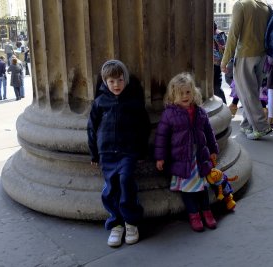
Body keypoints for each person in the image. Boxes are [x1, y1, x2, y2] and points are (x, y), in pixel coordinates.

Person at [87, 59, 150, 247]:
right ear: (105, 82)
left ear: (126, 80)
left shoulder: (133, 101)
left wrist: (141, 151)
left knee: (126, 181)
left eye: (120, 80)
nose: (116, 85)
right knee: (111, 188)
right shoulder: (100, 102)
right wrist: (94, 153)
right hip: (106, 152)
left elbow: (144, 127)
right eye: (112, 81)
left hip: (128, 151)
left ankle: (131, 222)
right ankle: (116, 223)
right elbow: (91, 128)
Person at [154, 72, 219, 232]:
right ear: (173, 95)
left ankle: (207, 212)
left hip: (199, 158)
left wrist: (213, 149)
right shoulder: (169, 114)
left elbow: (209, 132)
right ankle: (194, 215)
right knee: (188, 191)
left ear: (193, 92)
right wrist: (160, 157)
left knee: (202, 188)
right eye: (180, 93)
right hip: (183, 160)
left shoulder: (200, 111)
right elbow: (161, 137)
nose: (185, 96)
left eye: (188, 92)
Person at [220, 0, 272, 140]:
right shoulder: (264, 6)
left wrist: (225, 60)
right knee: (252, 92)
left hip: (245, 55)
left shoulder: (241, 5)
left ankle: (261, 127)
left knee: (247, 93)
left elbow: (233, 34)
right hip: (262, 55)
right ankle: (247, 124)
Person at [213, 22, 227, 104]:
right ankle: (224, 105)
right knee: (217, 86)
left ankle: (223, 105)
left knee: (216, 87)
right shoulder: (221, 33)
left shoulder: (217, 35)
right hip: (219, 62)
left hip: (215, 63)